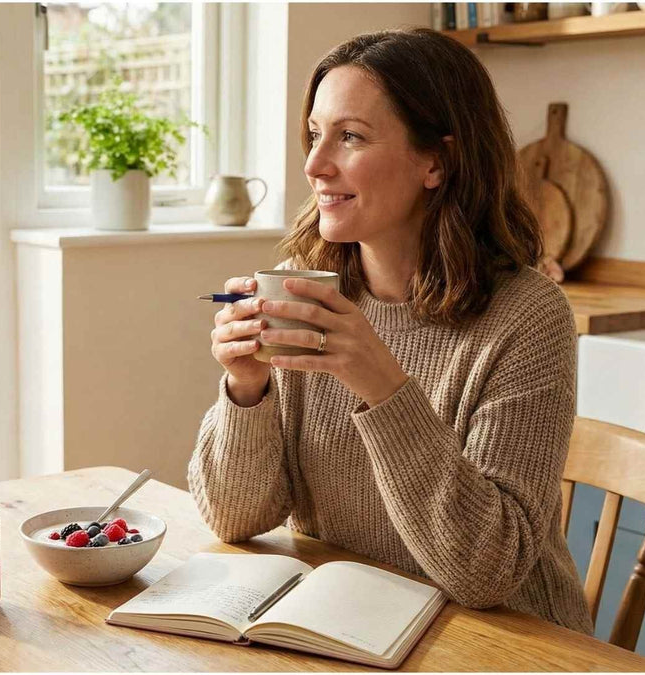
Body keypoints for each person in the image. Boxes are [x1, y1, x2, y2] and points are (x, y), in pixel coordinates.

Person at [188, 28, 594, 634]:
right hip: (349, 625)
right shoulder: (309, 290)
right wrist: (247, 390)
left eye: (350, 136)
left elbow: (488, 571)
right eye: (315, 134)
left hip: (504, 642)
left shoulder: (528, 316)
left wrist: (382, 386)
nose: (314, 165)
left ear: (437, 161)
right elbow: (233, 518)